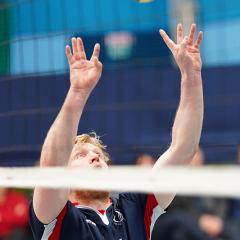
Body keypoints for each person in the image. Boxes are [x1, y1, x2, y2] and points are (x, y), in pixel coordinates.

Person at [29, 23, 204, 240]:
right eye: (81, 155)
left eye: (98, 155)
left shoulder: (135, 207)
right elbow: (51, 169)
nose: (94, 157)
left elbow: (184, 149)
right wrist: (77, 93)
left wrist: (192, 75)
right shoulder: (59, 220)